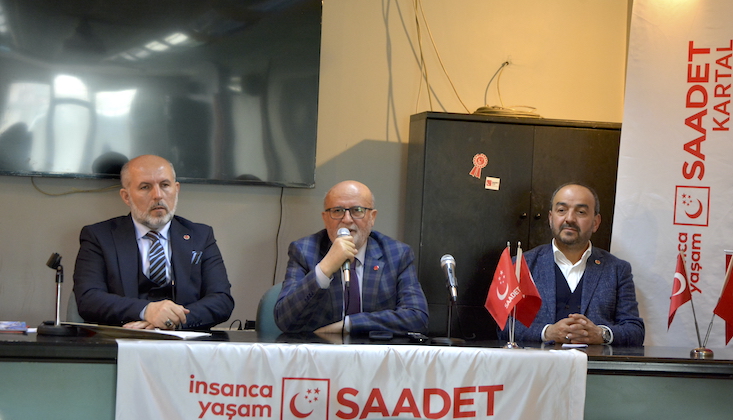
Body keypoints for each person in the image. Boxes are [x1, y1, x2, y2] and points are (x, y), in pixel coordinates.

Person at [73, 155, 234, 330]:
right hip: (123, 340)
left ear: (176, 189)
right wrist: (145, 311)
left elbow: (222, 300)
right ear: (126, 197)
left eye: (165, 185)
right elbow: (88, 298)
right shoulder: (99, 236)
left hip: (185, 341)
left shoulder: (201, 236)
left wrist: (172, 321)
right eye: (145, 187)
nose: (158, 195)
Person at [274, 180, 429, 335]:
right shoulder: (304, 251)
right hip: (320, 348)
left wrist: (350, 324)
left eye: (357, 210)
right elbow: (285, 320)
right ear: (325, 218)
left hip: (374, 349)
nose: (347, 219)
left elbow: (417, 317)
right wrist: (325, 268)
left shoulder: (397, 254)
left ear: (372, 217)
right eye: (337, 211)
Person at [499, 182, 644, 346]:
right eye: (562, 210)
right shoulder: (522, 264)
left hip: (594, 362)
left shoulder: (617, 270)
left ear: (596, 222)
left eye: (581, 212)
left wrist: (601, 334)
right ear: (551, 218)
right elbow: (503, 326)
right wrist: (546, 332)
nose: (569, 218)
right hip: (539, 361)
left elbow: (635, 330)